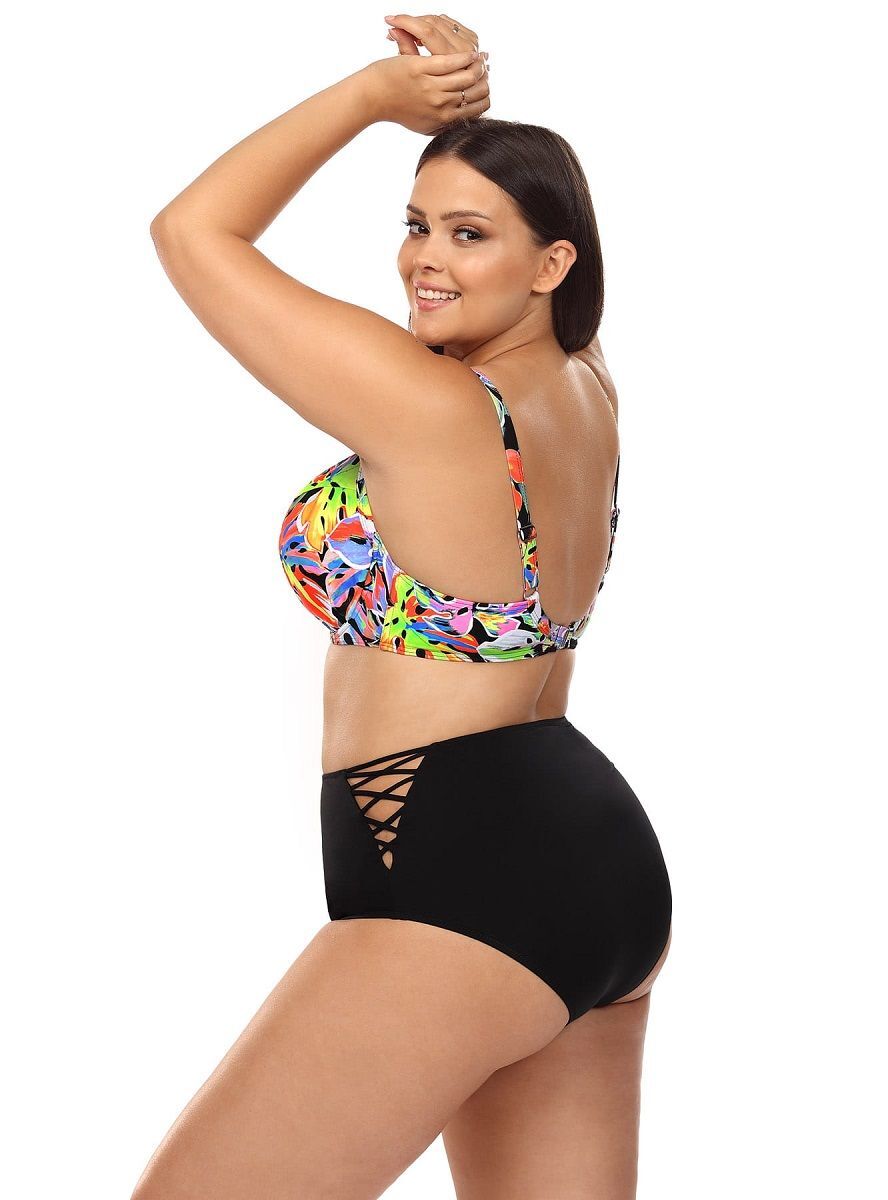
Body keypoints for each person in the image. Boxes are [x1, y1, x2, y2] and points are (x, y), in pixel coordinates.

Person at [138, 12, 672, 1199]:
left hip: (462, 875)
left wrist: (375, 98)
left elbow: (193, 230)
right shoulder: (584, 382)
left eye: (470, 234)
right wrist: (458, 101)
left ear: (553, 264)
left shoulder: (430, 408)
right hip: (592, 861)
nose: (426, 259)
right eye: (417, 224)